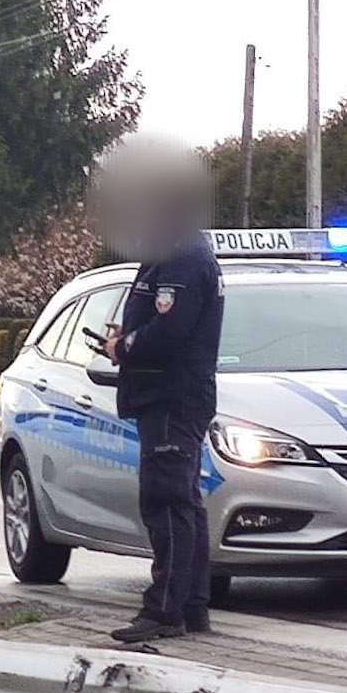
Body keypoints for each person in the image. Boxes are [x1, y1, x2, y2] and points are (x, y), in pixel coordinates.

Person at [91, 136, 224, 645]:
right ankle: (191, 606)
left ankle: (164, 611)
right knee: (183, 500)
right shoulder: (169, 253)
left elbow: (170, 331)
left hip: (171, 396)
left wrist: (125, 347)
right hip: (167, 395)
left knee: (167, 502)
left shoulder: (184, 257)